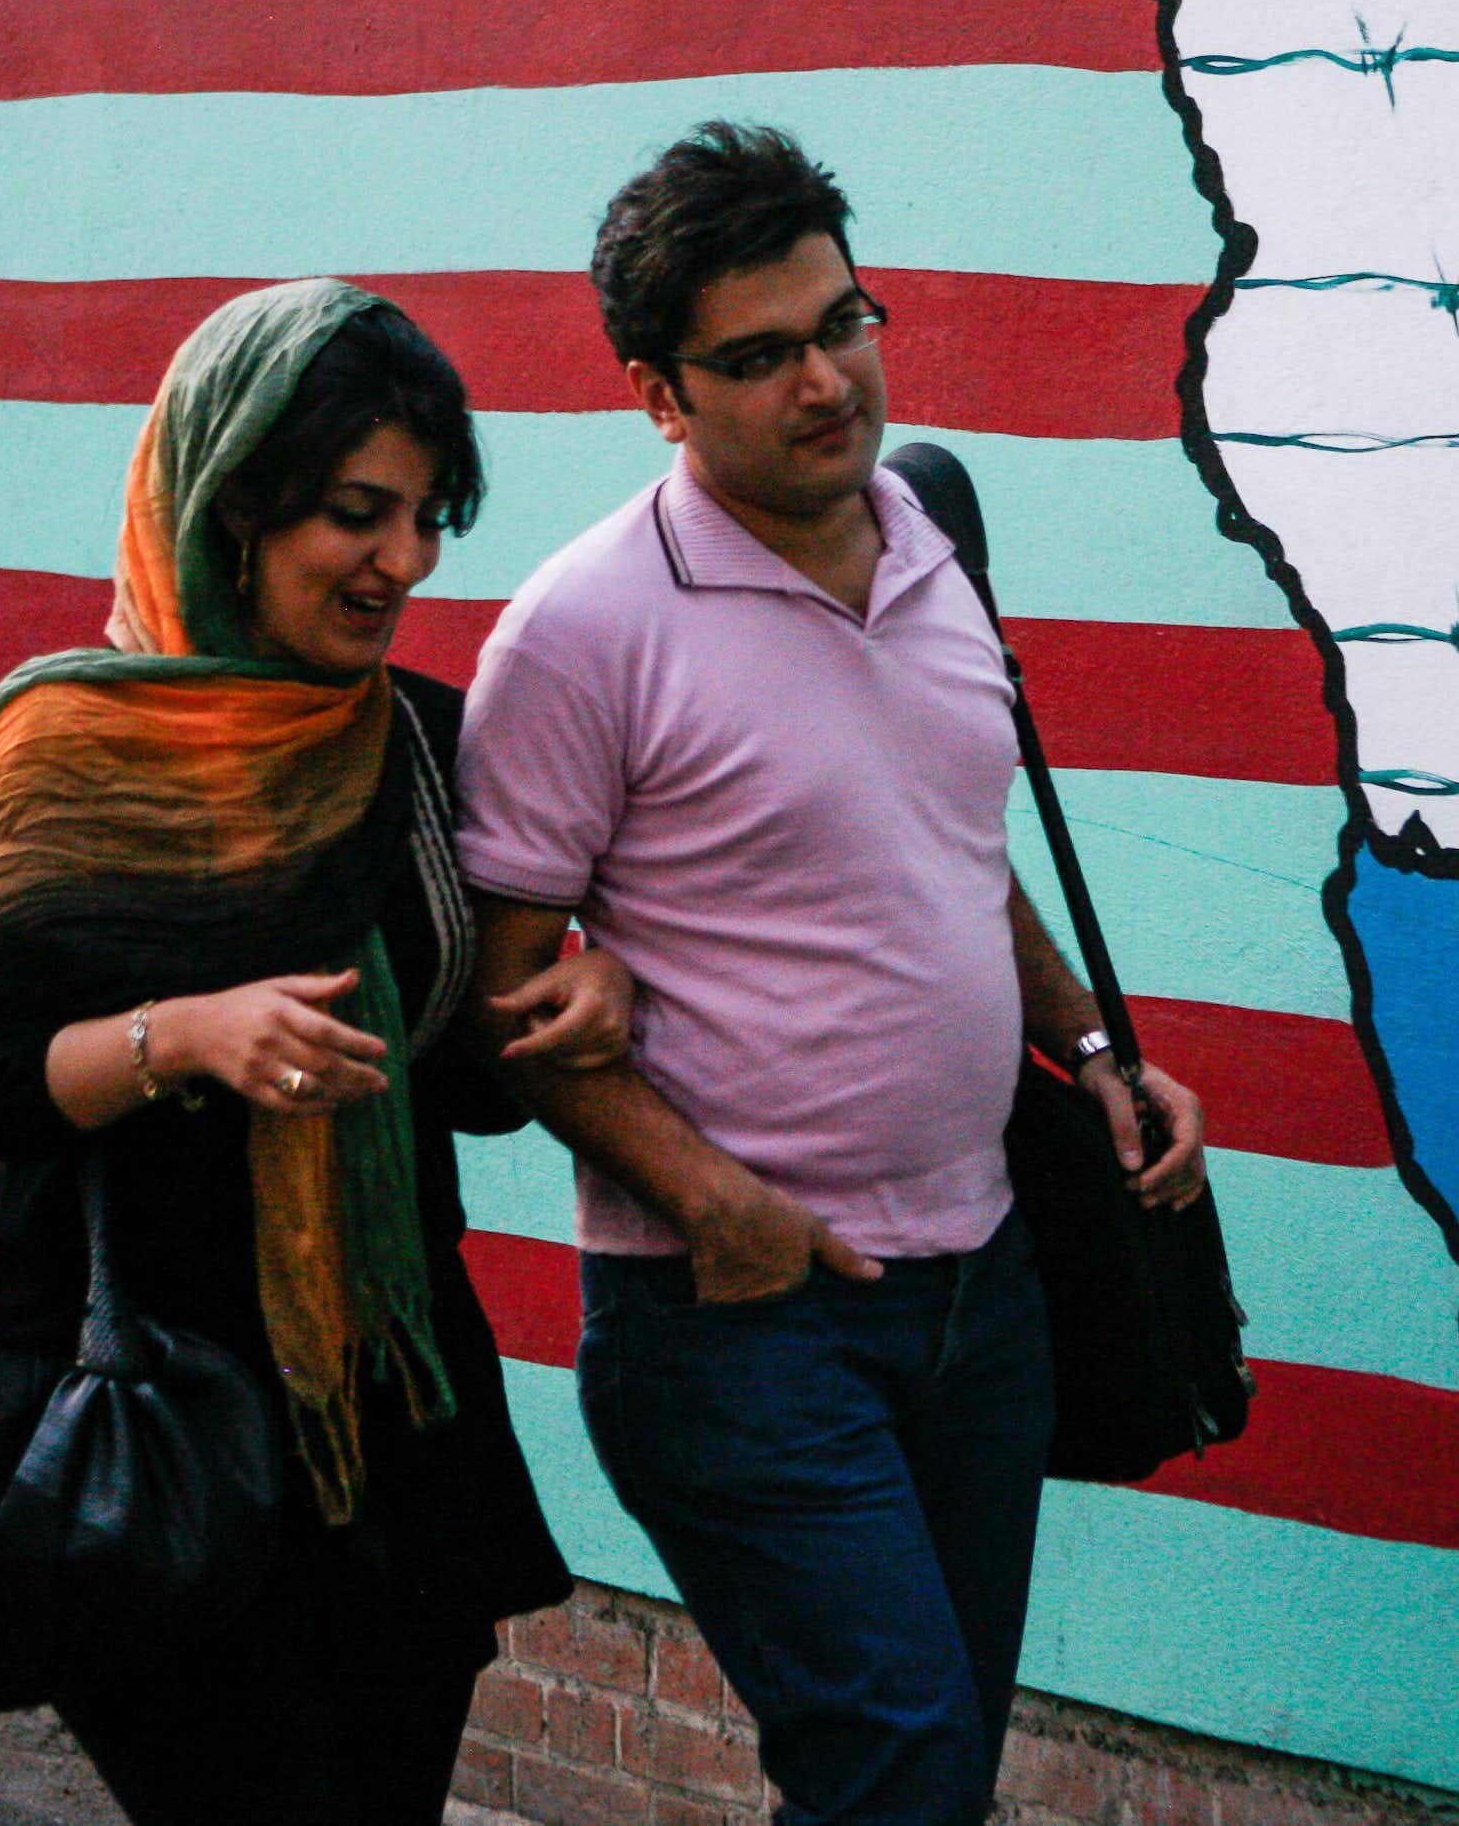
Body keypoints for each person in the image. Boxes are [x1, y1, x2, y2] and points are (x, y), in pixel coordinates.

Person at [456, 124, 1210, 1826]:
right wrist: (717, 1206)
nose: (825, 379)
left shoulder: (936, 538)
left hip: (986, 1290)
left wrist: (1092, 1042)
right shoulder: (581, 633)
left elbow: (951, 846)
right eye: (760, 355)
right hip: (740, 1318)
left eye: (843, 322)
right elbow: (507, 1005)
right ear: (660, 393)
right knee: (891, 1769)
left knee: (920, 1772)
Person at [0, 278, 611, 1826]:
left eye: (428, 518)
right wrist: (187, 1039)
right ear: (230, 504)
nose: (403, 562)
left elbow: (471, 1091)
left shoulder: (418, 743)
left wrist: (569, 1000)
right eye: (358, 513)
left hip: (389, 1428)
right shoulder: (58, 756)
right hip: (139, 1425)